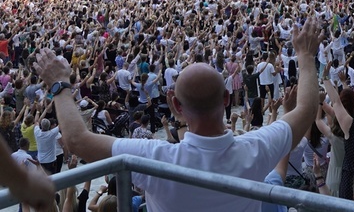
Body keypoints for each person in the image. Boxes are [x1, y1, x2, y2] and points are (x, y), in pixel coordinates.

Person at [33, 15, 324, 211]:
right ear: (226, 99)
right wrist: (306, 57)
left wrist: (60, 84)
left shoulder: (157, 159)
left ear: (176, 106)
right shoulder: (257, 149)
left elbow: (76, 139)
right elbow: (307, 109)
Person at [1, 136, 56, 211]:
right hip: (23, 186)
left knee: (23, 204)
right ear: (27, 146)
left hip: (16, 185)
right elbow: (33, 172)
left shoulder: (13, 155)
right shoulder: (28, 157)